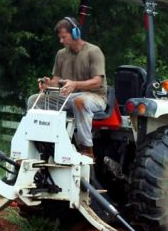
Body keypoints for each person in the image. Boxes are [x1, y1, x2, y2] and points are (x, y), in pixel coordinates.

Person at [26, 16, 108, 157]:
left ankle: (86, 148)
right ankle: (40, 144)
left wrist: (76, 84)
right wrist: (47, 84)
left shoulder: (93, 52)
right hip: (66, 96)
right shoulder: (61, 54)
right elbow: (56, 80)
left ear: (76, 33)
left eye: (64, 37)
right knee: (34, 100)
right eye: (60, 37)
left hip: (94, 97)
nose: (61, 41)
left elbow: (97, 82)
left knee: (80, 101)